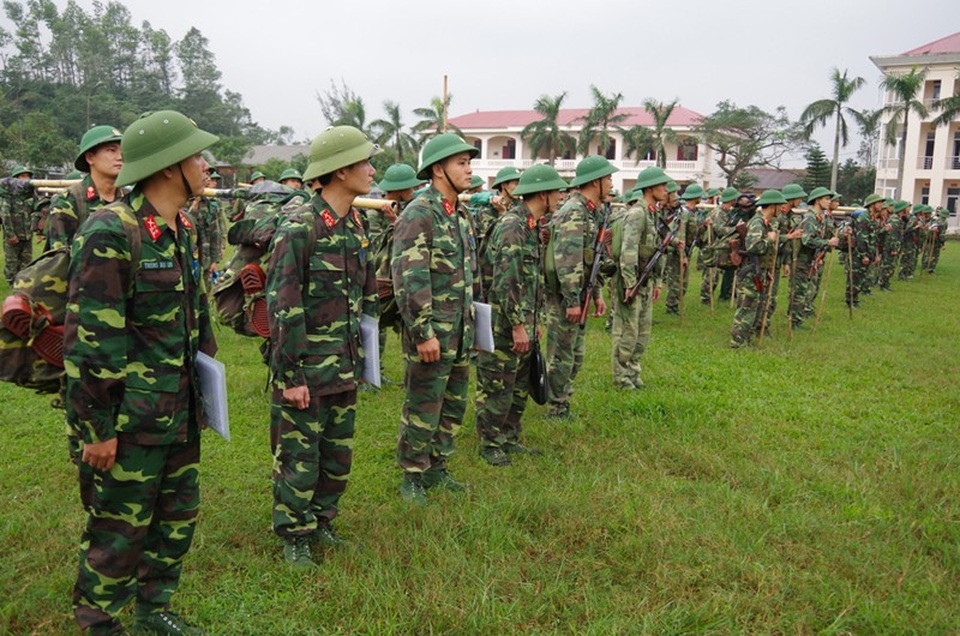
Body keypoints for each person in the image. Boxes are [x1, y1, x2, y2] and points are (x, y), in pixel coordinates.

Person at [63, 110, 218, 635]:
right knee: (117, 530)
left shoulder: (183, 228)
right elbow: (88, 344)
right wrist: (97, 431)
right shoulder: (111, 231)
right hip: (129, 423)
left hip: (178, 413)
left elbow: (195, 318)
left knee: (174, 523)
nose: (205, 165)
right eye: (197, 156)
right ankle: (99, 622)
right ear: (171, 167)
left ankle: (155, 610)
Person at [265, 126, 379, 566]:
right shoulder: (299, 227)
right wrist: (291, 374)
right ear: (340, 169)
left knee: (336, 452)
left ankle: (322, 519)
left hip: (343, 365)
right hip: (306, 368)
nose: (372, 170)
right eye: (365, 162)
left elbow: (364, 299)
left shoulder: (356, 225)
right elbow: (283, 305)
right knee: (298, 454)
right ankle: (294, 533)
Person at [392, 133, 479, 505]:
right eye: (461, 163)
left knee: (453, 402)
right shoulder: (419, 212)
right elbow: (410, 277)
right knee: (424, 402)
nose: (469, 168)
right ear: (438, 168)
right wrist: (423, 331)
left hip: (459, 329)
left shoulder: (459, 213)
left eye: (469, 162)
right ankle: (413, 474)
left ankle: (438, 466)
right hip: (432, 332)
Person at [475, 164, 565, 466]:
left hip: (523, 321)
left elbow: (530, 282)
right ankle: (490, 443)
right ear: (543, 194)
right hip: (504, 323)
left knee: (518, 385)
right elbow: (506, 282)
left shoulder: (531, 226)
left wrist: (533, 322)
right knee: (498, 384)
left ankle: (509, 438)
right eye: (557, 192)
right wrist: (516, 325)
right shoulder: (513, 227)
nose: (561, 197)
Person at [543, 155, 615, 419]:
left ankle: (561, 398)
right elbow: (568, 260)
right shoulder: (574, 210)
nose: (610, 182)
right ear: (595, 181)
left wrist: (596, 294)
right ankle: (556, 406)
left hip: (580, 293)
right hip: (567, 296)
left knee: (575, 353)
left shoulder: (590, 211)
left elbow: (591, 259)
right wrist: (572, 299)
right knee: (562, 355)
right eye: (607, 177)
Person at [611, 166, 670, 389]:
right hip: (632, 282)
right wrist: (628, 283)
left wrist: (657, 282)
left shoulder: (653, 213)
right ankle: (621, 377)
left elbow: (654, 252)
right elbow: (628, 250)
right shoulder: (637, 213)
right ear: (650, 187)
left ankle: (633, 372)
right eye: (662, 185)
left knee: (642, 333)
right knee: (628, 332)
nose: (666, 189)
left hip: (645, 282)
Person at [45, 125, 124, 251]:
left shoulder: (131, 198)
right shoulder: (68, 202)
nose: (120, 157)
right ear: (90, 158)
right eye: (111, 150)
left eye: (122, 150)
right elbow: (58, 259)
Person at [730, 190, 785, 348]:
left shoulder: (766, 223)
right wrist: (769, 239)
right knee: (747, 307)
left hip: (760, 270)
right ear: (772, 206)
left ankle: (745, 339)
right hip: (751, 271)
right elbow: (753, 246)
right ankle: (737, 342)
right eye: (779, 205)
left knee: (756, 307)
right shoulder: (757, 222)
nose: (781, 208)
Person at [787, 186, 837, 329]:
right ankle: (794, 321)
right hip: (802, 259)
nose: (829, 202)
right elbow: (807, 240)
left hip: (811, 259)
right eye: (826, 199)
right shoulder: (810, 217)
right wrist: (826, 242)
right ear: (817, 200)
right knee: (799, 291)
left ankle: (798, 318)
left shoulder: (820, 218)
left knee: (806, 290)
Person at [1, 165, 35, 284]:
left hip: (27, 236)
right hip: (13, 236)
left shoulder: (30, 195)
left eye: (27, 176)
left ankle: (22, 286)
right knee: (12, 263)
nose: (26, 179)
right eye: (22, 176)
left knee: (27, 263)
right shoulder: (8, 195)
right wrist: (10, 235)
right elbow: (5, 215)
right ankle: (11, 285)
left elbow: (35, 212)